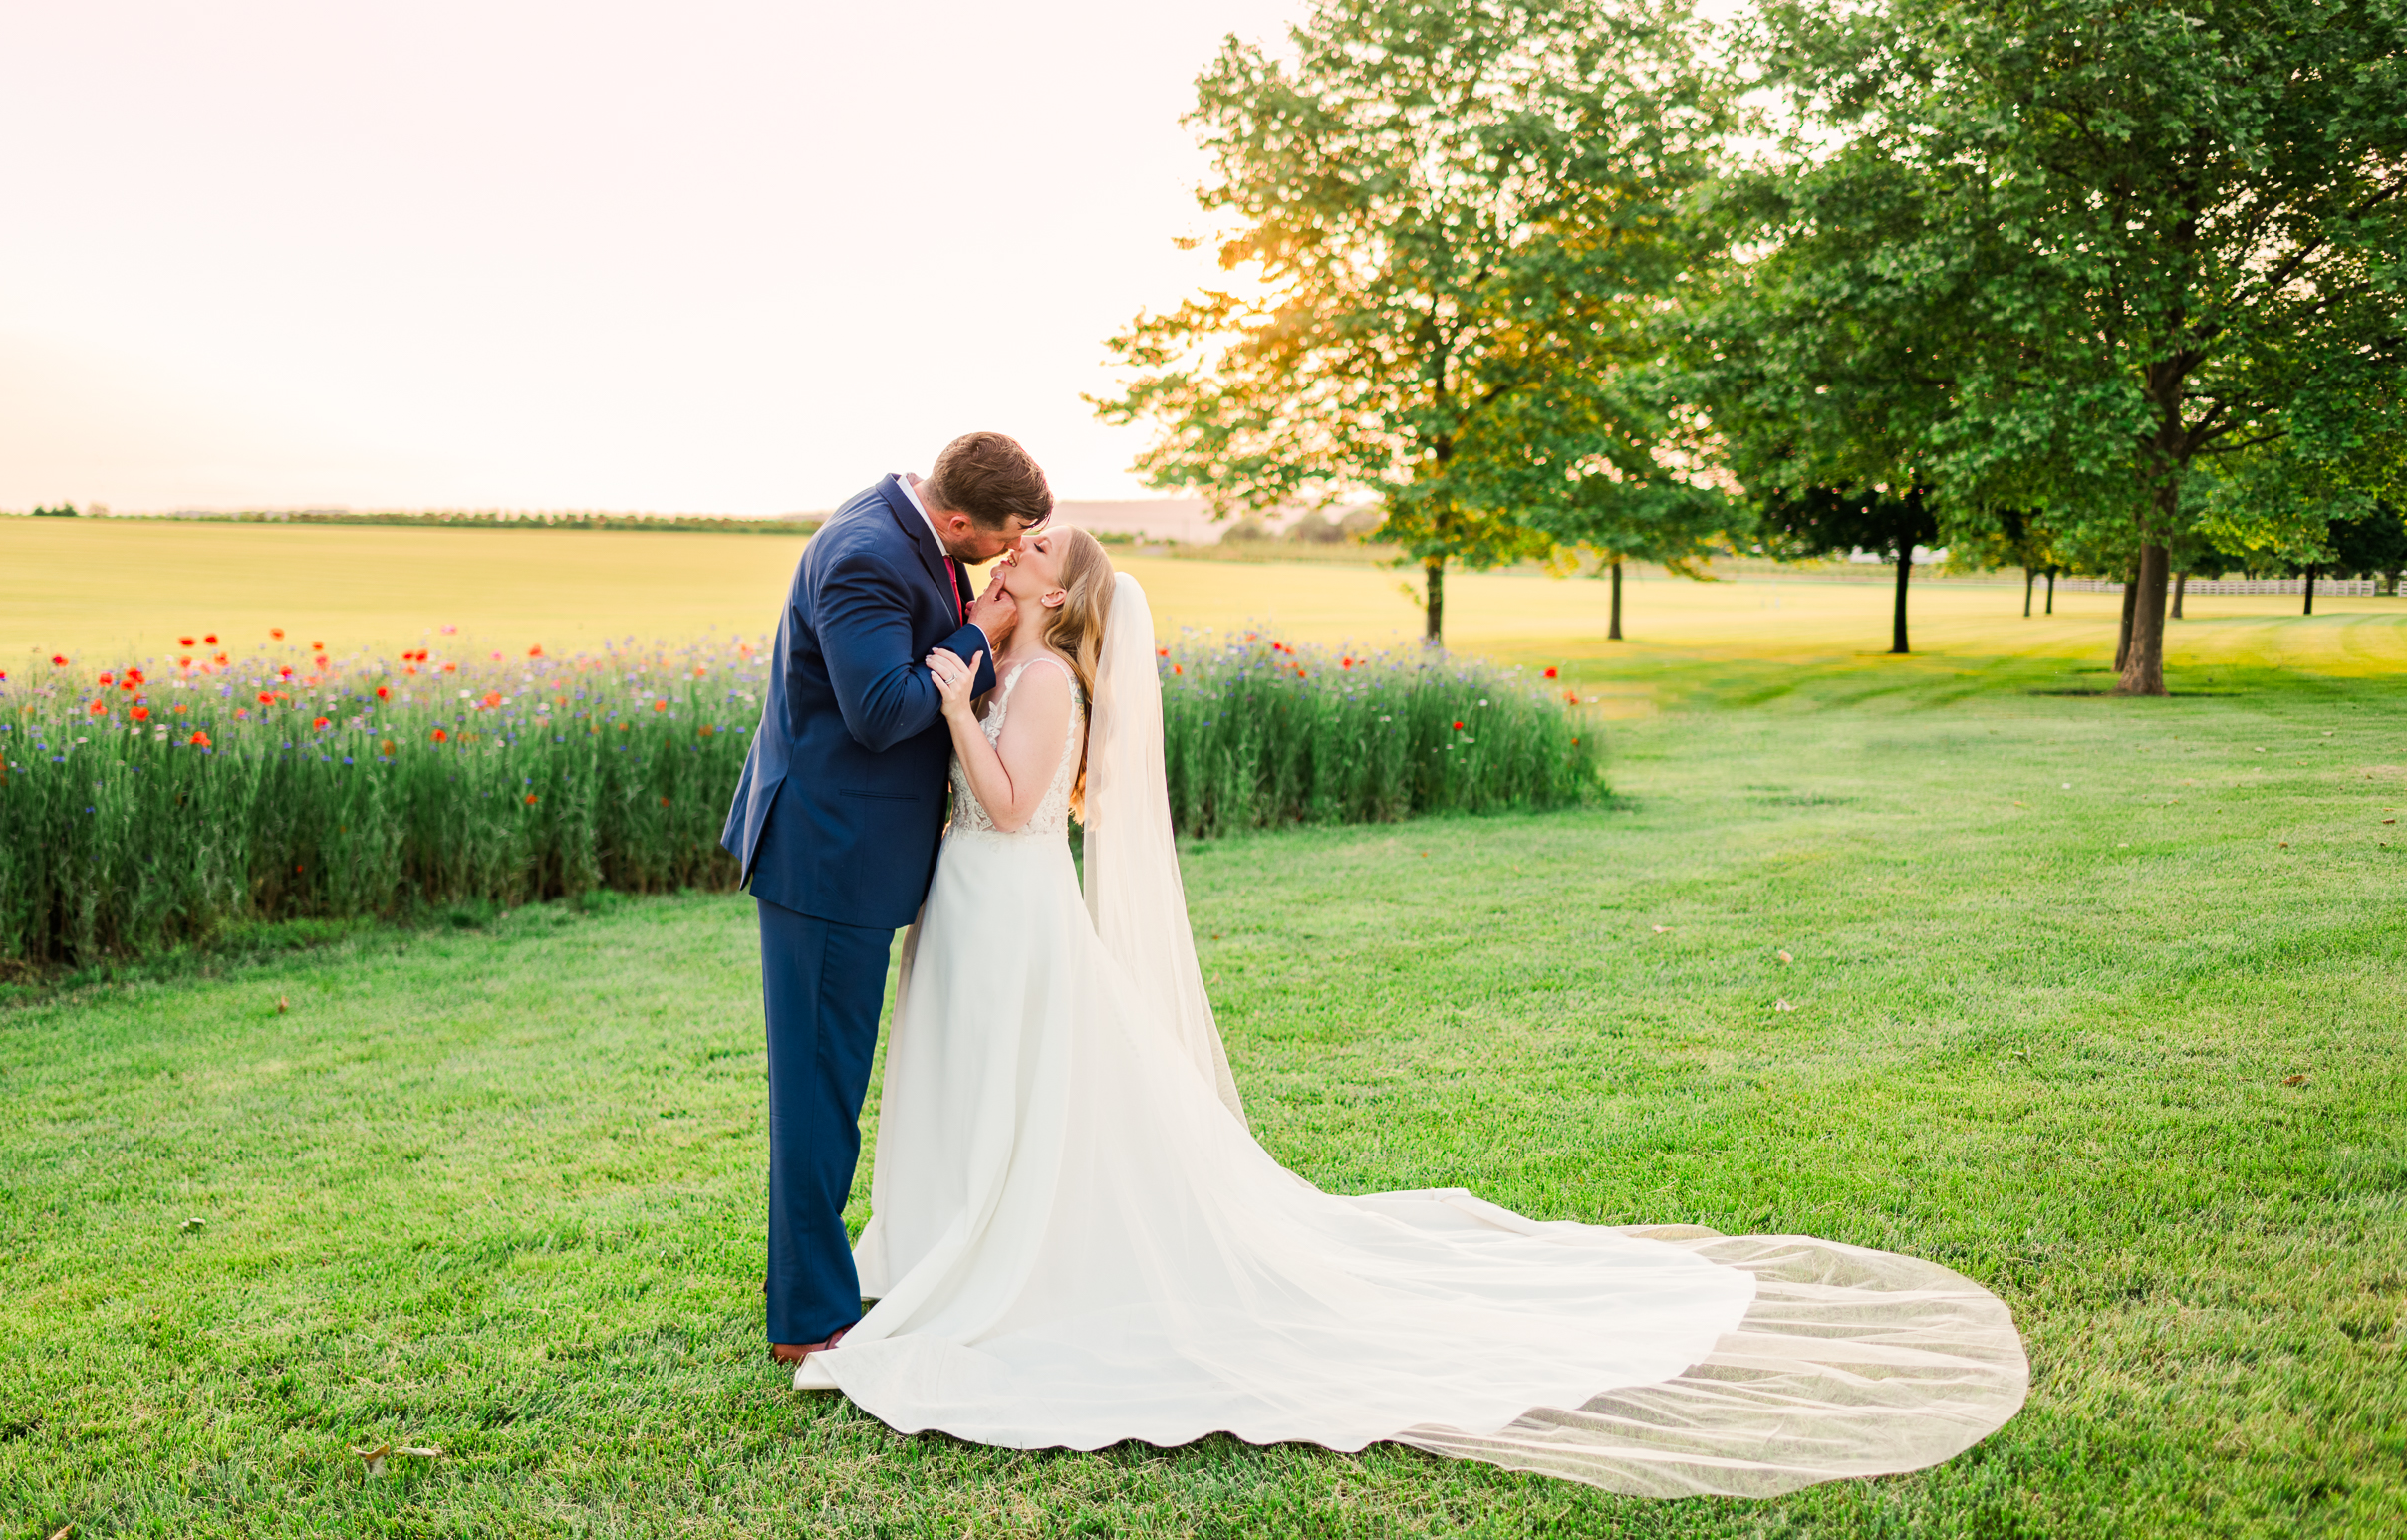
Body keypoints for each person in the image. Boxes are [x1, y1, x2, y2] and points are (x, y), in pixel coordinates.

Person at [794, 526, 2031, 1499]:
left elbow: (1013, 807)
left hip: (1010, 910)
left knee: (1018, 1091)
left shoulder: (1049, 679)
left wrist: (958, 703)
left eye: (1038, 552)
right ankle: (938, 1242)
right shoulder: (1005, 646)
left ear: (1068, 600)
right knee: (966, 1084)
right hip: (969, 917)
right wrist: (974, 653)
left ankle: (999, 1262)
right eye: (1019, 543)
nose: (1015, 554)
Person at [721, 432, 1052, 1365]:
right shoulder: (868, 554)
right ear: (956, 518)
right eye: (1003, 537)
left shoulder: (918, 538)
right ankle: (812, 1317)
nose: (1004, 556)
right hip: (829, 861)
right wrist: (981, 633)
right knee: (820, 1090)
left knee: (830, 1081)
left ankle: (813, 1280)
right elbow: (878, 710)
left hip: (856, 854)